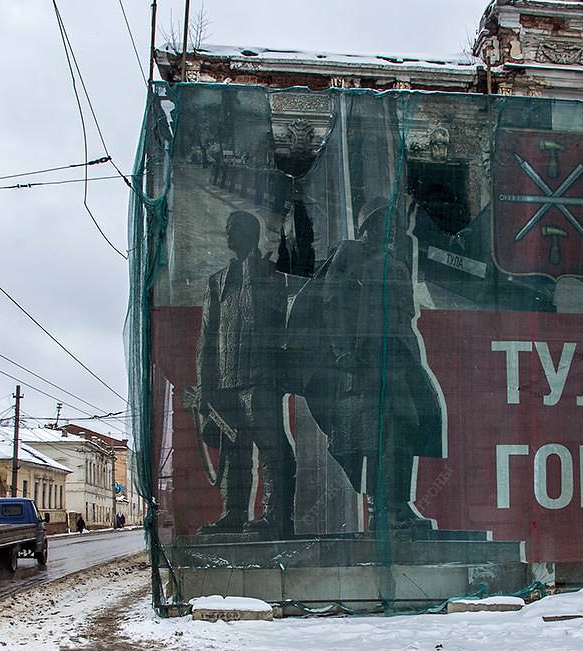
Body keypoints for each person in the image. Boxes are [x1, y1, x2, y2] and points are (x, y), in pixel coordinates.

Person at [289, 196, 444, 532]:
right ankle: (381, 511)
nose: (389, 227)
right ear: (368, 225)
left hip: (399, 358)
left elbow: (406, 320)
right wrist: (343, 351)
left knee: (404, 430)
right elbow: (332, 302)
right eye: (382, 220)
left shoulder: (398, 265)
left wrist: (413, 362)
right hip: (365, 358)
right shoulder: (351, 253)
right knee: (375, 436)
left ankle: (400, 506)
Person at [188, 209, 295, 537]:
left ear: (251, 233)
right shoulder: (217, 281)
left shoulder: (269, 273)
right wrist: (206, 387)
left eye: (233, 229)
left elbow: (275, 321)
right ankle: (233, 515)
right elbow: (207, 339)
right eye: (227, 230)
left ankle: (276, 516)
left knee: (272, 447)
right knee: (234, 454)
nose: (227, 236)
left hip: (260, 377)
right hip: (225, 380)